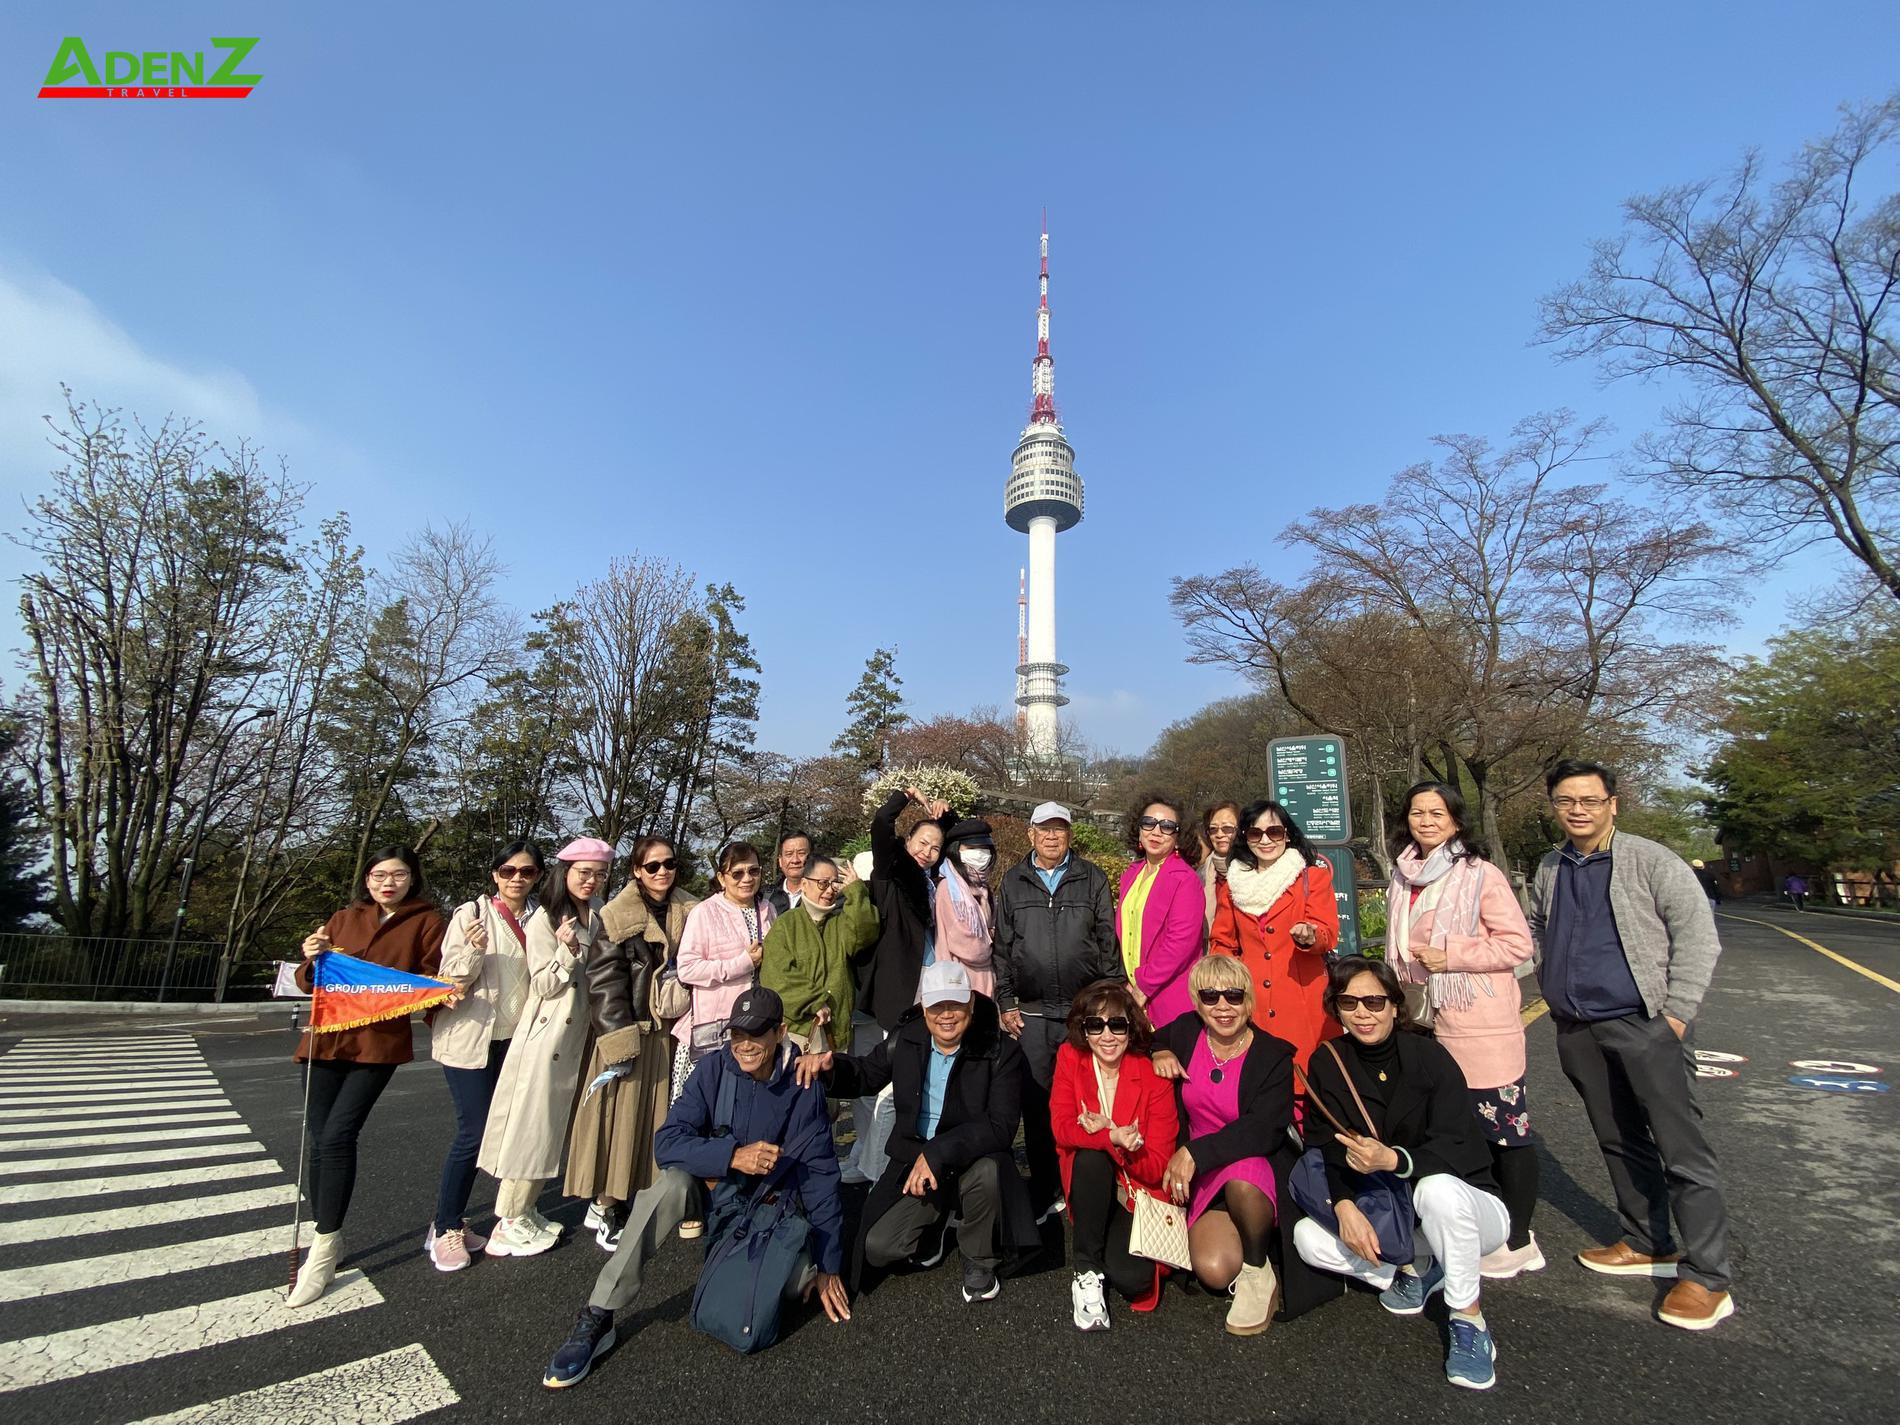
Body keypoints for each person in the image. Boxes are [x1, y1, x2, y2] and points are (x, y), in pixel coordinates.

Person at [542, 988, 849, 1389]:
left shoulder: (802, 1085)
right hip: (715, 1198)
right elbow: (666, 1142)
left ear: (780, 1032)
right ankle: (599, 1312)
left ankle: (779, 1264)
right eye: (737, 1034)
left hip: (770, 1210)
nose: (744, 1046)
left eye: (756, 1034)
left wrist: (829, 1266)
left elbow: (822, 1177)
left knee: (793, 1286)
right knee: (669, 1184)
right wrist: (731, 1156)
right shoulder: (713, 1070)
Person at [1529, 759, 1733, 1331]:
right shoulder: (1552, 865)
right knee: (1618, 1139)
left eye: (1590, 800)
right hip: (1578, 1026)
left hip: (1645, 1024)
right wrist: (1552, 987)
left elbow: (1698, 936)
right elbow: (1540, 926)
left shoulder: (1649, 859)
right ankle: (1648, 1242)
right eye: (1566, 800)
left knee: (1681, 1148)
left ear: (1612, 803)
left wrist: (1675, 1016)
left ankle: (1707, 1276)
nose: (1577, 810)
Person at [1294, 957, 1510, 1391]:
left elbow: (1460, 1146)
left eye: (1374, 1001)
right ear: (1335, 1009)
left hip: (1468, 1204)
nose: (1362, 1013)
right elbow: (1326, 1146)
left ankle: (1469, 1320)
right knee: (1308, 1238)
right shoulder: (1329, 1062)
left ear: (1395, 1005)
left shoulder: (1430, 1057)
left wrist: (1395, 1160)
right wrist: (1344, 1204)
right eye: (1349, 1002)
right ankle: (1415, 1268)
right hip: (1396, 1212)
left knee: (1436, 1192)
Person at [798, 960, 1036, 1303]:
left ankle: (979, 1256)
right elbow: (867, 1073)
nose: (947, 1015)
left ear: (970, 1002)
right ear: (924, 1007)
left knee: (989, 1171)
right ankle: (936, 1225)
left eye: (955, 1004)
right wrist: (832, 1067)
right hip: (914, 1157)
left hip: (970, 1156)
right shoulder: (908, 1037)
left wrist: (937, 1153)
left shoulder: (1000, 1049)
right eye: (937, 1005)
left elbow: (1000, 1128)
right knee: (877, 1248)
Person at [1386, 782, 1543, 1279]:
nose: (1426, 821)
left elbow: (1518, 945)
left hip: (1478, 1023)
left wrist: (1455, 954)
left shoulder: (1481, 874)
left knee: (1504, 1130)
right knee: (1449, 1128)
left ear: (1456, 820)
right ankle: (1466, 1223)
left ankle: (1519, 1239)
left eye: (1437, 812)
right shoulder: (1404, 874)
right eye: (1417, 812)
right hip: (1421, 1018)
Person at [289, 845, 446, 1307]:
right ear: (367, 880)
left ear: (412, 879)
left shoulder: (427, 922)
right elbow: (309, 982)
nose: (387, 883)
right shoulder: (343, 918)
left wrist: (439, 994)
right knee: (319, 1141)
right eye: (379, 875)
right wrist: (312, 957)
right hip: (323, 1041)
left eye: (397, 875)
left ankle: (322, 1246)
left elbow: (429, 980)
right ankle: (328, 1235)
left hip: (376, 1046)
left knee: (338, 1135)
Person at [477, 838, 611, 1258]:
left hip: (579, 1036)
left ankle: (527, 1208)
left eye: (599, 873)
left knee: (551, 1129)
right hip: (548, 1037)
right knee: (532, 1127)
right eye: (583, 873)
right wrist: (567, 953)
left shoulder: (596, 913)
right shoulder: (544, 919)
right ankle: (509, 1218)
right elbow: (543, 985)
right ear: (564, 872)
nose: (591, 881)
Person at [1149, 955, 1294, 1334]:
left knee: (1243, 1182)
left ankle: (1258, 1272)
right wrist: (1158, 1051)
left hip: (1248, 1160)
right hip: (1201, 1172)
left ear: (1249, 1000)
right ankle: (1245, 1241)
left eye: (1233, 995)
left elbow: (1264, 1129)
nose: (1223, 1007)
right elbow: (1149, 1037)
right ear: (1197, 1002)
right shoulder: (1186, 1032)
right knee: (1212, 1270)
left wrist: (1196, 1153)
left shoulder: (1273, 1055)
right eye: (1210, 996)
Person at [566, 836, 698, 1250]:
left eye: (669, 864)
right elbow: (603, 982)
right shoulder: (616, 915)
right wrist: (618, 1038)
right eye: (653, 866)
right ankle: (605, 1206)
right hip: (632, 1031)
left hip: (672, 1031)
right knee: (618, 1125)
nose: (663, 872)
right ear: (636, 871)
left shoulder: (692, 911)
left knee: (657, 1123)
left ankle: (647, 1198)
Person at [993, 801, 1120, 1218]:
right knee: (1038, 1102)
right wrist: (1006, 1000)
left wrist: (1110, 997)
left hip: (1082, 1013)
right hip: (1031, 1013)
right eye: (1044, 829)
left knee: (1089, 1099)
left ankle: (1086, 1186)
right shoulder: (1013, 881)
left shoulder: (1092, 878)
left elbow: (1107, 940)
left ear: (1070, 835)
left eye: (1059, 830)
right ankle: (1045, 1186)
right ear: (1031, 834)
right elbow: (1003, 948)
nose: (1052, 836)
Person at [425, 839, 544, 1272]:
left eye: (526, 872)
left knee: (503, 1132)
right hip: (471, 1039)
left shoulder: (541, 918)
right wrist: (473, 948)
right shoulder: (471, 914)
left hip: (516, 1039)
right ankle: (445, 1225)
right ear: (495, 874)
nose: (517, 879)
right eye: (509, 871)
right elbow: (451, 981)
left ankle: (480, 1218)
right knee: (473, 1132)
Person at [1051, 980, 1179, 1330]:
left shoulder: (1153, 1077)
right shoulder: (1070, 1058)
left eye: (1117, 1024)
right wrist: (1112, 1136)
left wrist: (1124, 1145)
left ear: (1130, 1027)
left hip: (1133, 1191)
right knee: (1090, 1158)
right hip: (1091, 1180)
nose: (1107, 1035)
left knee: (1134, 1281)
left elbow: (1156, 1167)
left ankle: (1102, 1240)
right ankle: (1086, 1269)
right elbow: (1062, 1128)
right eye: (1096, 1024)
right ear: (1084, 1029)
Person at [1210, 799, 1340, 1071]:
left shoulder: (1312, 878)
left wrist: (1309, 936)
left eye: (1275, 832)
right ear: (1245, 838)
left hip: (1303, 1000)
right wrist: (1225, 985)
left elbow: (1327, 934)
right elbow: (1222, 942)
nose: (1265, 840)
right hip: (1251, 1001)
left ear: (1288, 835)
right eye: (1255, 833)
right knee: (1259, 1080)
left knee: (1308, 1077)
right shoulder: (1232, 885)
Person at [864, 785, 960, 1030]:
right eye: (922, 843)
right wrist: (908, 795)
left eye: (935, 848)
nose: (926, 852)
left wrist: (945, 812)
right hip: (900, 975)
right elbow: (881, 822)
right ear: (908, 840)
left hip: (936, 970)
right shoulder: (891, 873)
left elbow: (959, 841)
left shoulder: (937, 879)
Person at [760, 854, 880, 1049]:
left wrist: (856, 891)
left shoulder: (840, 921)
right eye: (823, 883)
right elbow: (776, 976)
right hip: (798, 1031)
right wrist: (814, 1001)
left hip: (838, 1030)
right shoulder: (786, 924)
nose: (829, 891)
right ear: (804, 884)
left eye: (835, 884)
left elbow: (865, 933)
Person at [1119, 793, 1207, 1034]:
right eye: (1149, 823)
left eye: (1167, 827)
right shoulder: (1131, 874)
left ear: (1178, 837)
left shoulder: (1184, 879)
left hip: (1168, 995)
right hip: (1133, 992)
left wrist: (1143, 986)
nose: (1156, 832)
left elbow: (1180, 943)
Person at [934, 818, 999, 997]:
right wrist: (992, 940)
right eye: (971, 849)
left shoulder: (984, 890)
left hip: (986, 981)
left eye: (984, 849)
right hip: (959, 982)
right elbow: (970, 948)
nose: (979, 854)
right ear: (957, 851)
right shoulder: (949, 889)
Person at [1198, 801, 1242, 932]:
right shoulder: (1201, 875)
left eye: (1227, 828)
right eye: (1213, 829)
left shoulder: (1257, 869)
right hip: (1212, 946)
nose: (1219, 834)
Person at [766, 831, 812, 915]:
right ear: (780, 860)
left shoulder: (823, 896)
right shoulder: (765, 897)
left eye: (801, 853)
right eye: (789, 854)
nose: (795, 860)